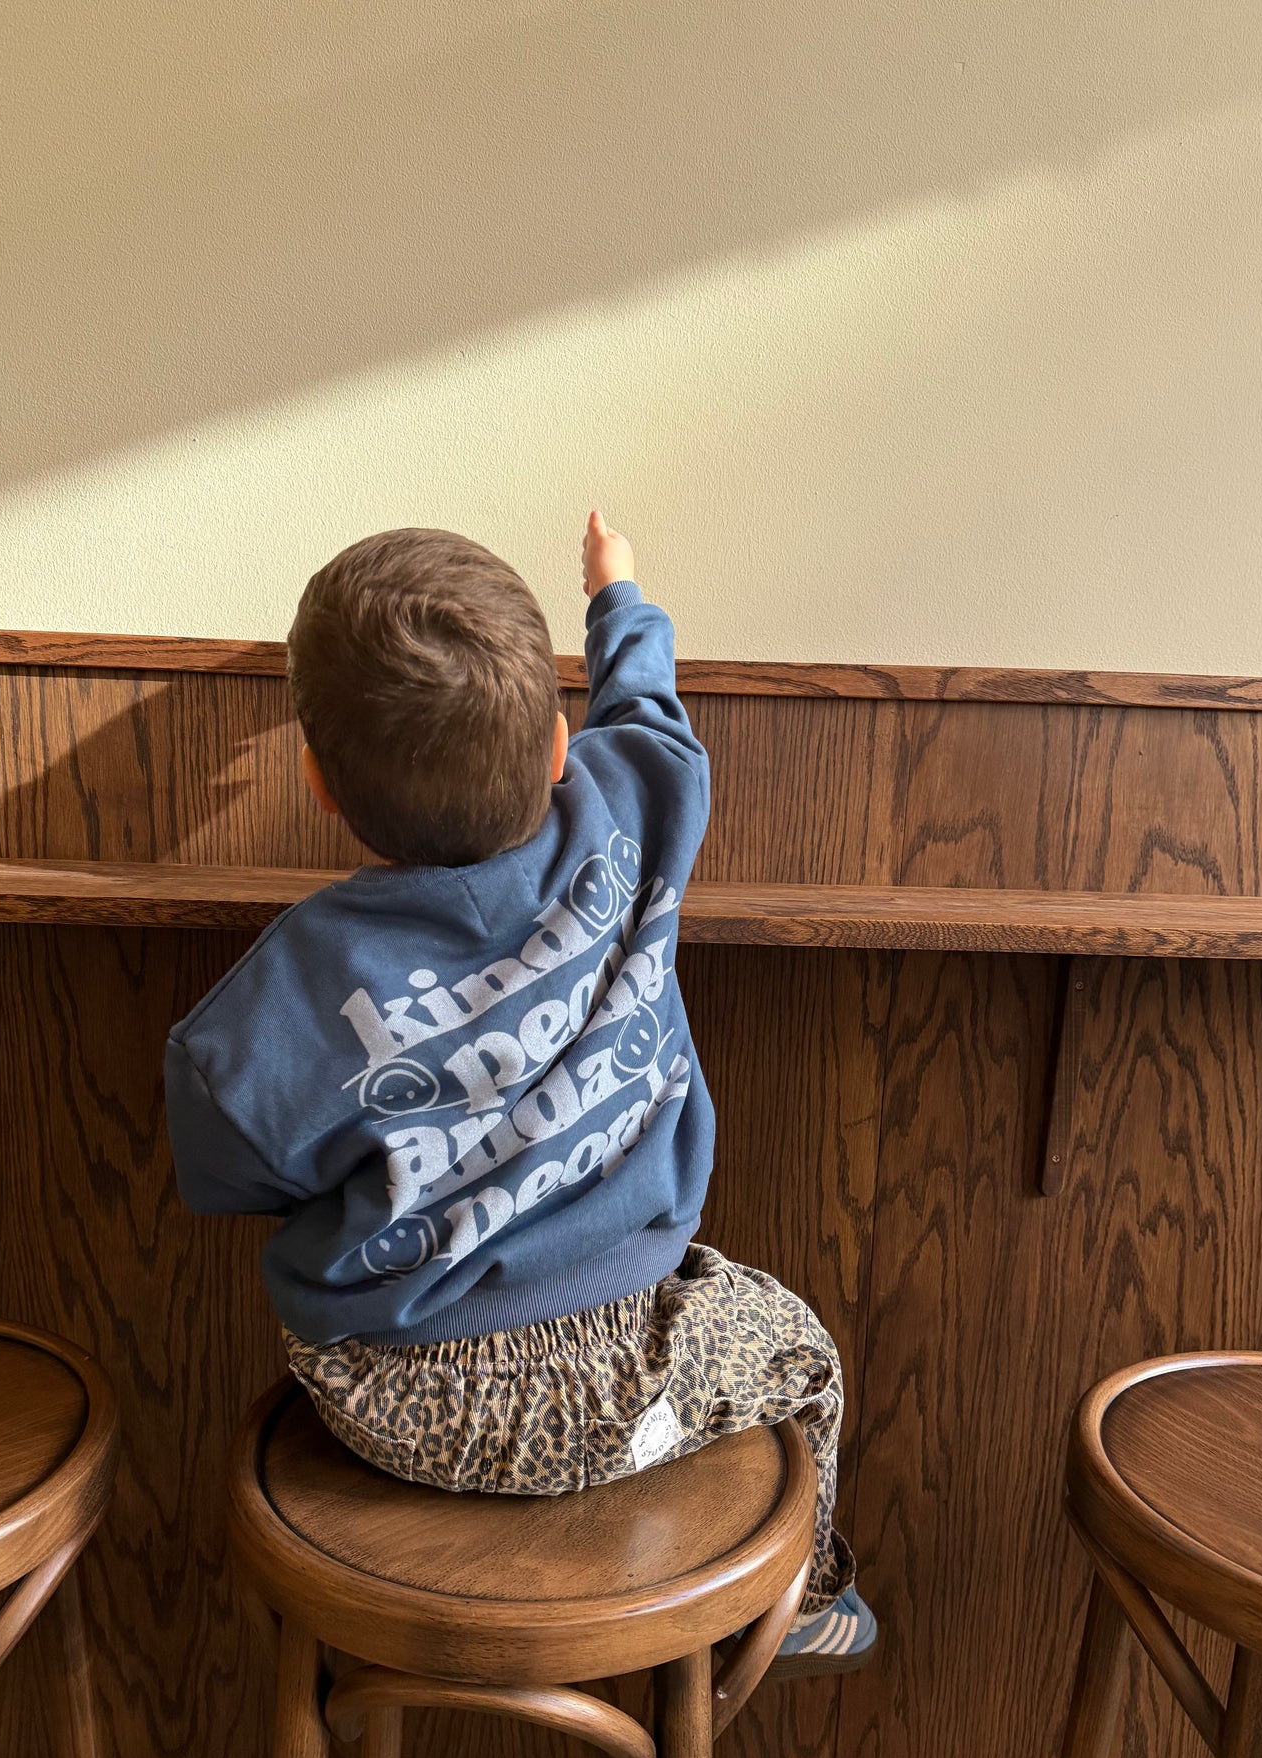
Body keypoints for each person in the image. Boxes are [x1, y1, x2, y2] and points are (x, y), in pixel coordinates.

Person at [165, 514, 874, 1666]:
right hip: (612, 1380)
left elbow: (228, 1168)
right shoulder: (627, 812)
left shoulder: (276, 997)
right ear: (558, 748)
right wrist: (617, 598)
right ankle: (803, 1602)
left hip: (384, 1406)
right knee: (801, 1352)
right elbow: (649, 717)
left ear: (316, 785)